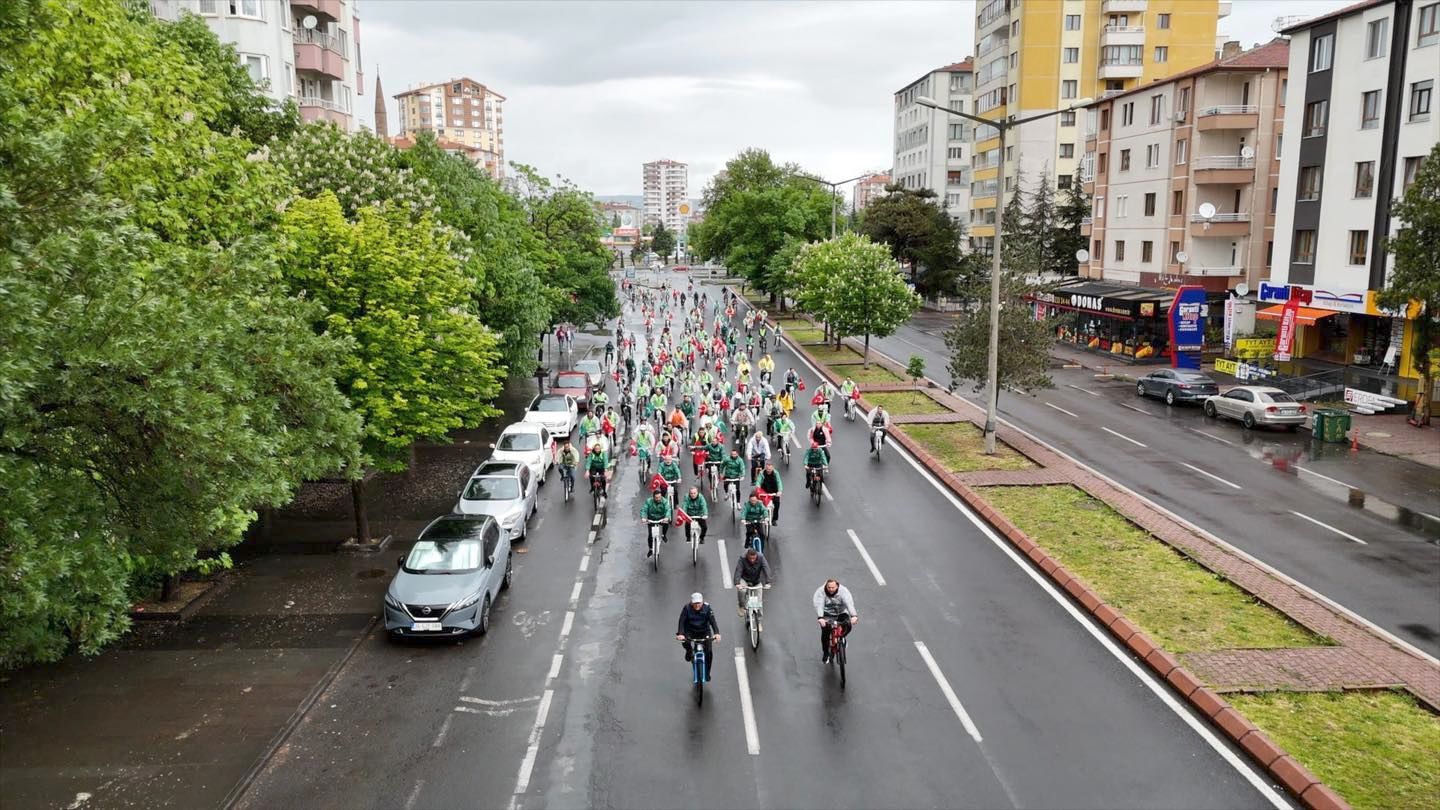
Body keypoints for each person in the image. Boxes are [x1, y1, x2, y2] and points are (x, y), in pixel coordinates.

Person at [675, 593, 720, 681]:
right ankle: (689, 651)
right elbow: (682, 621)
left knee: (709, 652)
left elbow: (713, 621)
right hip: (690, 631)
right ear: (691, 603)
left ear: (702, 602)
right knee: (685, 642)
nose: (697, 605)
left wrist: (717, 633)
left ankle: (707, 673)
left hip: (704, 631)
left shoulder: (707, 608)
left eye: (699, 603)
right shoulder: (687, 608)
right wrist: (681, 634)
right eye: (695, 603)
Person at [813, 579, 858, 663]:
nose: (831, 589)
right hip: (826, 614)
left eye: (833, 587)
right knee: (825, 633)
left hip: (841, 612)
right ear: (826, 586)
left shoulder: (843, 592)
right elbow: (819, 605)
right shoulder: (821, 592)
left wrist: (854, 616)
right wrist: (820, 618)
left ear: (837, 586)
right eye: (829, 587)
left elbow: (849, 603)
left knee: (848, 625)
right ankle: (826, 653)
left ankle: (842, 637)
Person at [733, 547, 773, 615]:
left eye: (753, 558)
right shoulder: (742, 558)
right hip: (745, 579)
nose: (752, 560)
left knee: (759, 603)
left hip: (756, 580)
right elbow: (738, 570)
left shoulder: (761, 557)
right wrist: (737, 583)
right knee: (741, 591)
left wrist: (768, 582)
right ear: (747, 556)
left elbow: (766, 568)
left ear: (756, 556)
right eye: (750, 558)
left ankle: (759, 622)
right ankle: (741, 606)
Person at [642, 489, 673, 556]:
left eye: (659, 497)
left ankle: (663, 535)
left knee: (666, 524)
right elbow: (644, 509)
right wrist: (643, 517)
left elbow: (668, 509)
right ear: (653, 497)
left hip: (661, 519)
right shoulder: (648, 501)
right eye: (656, 498)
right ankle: (650, 549)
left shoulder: (665, 501)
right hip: (651, 519)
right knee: (650, 535)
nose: (658, 499)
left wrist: (667, 517)